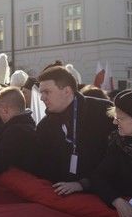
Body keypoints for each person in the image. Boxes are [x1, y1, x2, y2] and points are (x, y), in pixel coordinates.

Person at [35, 64, 115, 195]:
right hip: (64, 197)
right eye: (41, 92)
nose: (42, 98)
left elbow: (116, 160)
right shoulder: (45, 126)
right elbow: (42, 165)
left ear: (67, 91)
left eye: (47, 92)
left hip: (102, 195)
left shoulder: (103, 111)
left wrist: (84, 183)